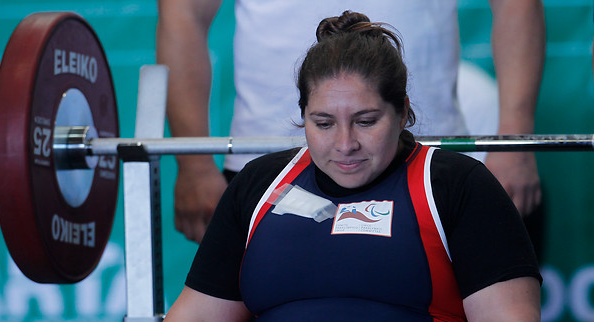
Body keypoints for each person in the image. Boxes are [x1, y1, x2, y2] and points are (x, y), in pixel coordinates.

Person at [81, 13, 542, 322]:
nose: (344, 143)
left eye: (365, 121)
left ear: (403, 111)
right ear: (301, 116)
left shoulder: (456, 183)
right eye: (323, 123)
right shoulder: (260, 184)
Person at [157, 0, 546, 244]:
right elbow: (183, 12)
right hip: (267, 170)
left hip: (429, 168)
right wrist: (193, 164)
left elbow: (517, 5)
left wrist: (513, 142)